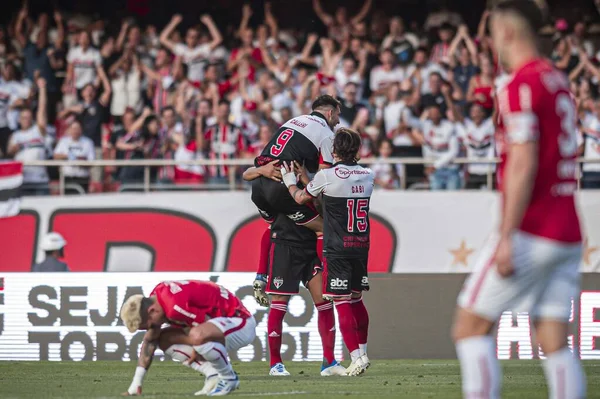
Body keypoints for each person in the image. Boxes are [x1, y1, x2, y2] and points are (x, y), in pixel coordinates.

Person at [452, 2, 586, 399]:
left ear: (506, 34)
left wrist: (507, 234)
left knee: (469, 329)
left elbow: (523, 161)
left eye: (493, 35)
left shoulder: (519, 84)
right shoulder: (556, 79)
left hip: (533, 228)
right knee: (554, 340)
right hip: (567, 231)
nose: (493, 44)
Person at [280, 128, 373, 376]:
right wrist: (309, 177)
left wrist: (292, 182)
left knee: (340, 301)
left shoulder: (326, 175)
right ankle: (363, 351)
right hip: (361, 245)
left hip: (338, 246)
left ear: (334, 151)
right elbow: (333, 193)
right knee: (356, 299)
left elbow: (302, 198)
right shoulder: (368, 174)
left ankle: (356, 357)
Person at [242, 163, 345, 377]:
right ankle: (275, 364)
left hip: (309, 248)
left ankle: (329, 362)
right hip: (284, 248)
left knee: (324, 302)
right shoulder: (274, 182)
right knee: (279, 306)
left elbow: (321, 212)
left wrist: (306, 179)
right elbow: (268, 232)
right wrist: (260, 275)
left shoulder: (310, 180)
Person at [250, 95, 340, 301]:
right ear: (329, 113)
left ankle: (260, 276)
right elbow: (324, 175)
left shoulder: (294, 121)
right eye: (337, 116)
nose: (338, 121)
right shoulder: (326, 133)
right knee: (322, 227)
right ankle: (327, 278)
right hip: (281, 183)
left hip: (259, 183)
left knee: (272, 227)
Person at [120, 280, 256, 396]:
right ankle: (213, 374)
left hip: (241, 323)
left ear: (152, 311)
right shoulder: (157, 299)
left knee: (197, 336)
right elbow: (150, 340)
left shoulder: (173, 306)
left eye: (150, 324)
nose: (152, 327)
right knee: (164, 339)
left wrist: (197, 348)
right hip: (220, 325)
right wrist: (136, 383)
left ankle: (228, 378)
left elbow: (203, 328)